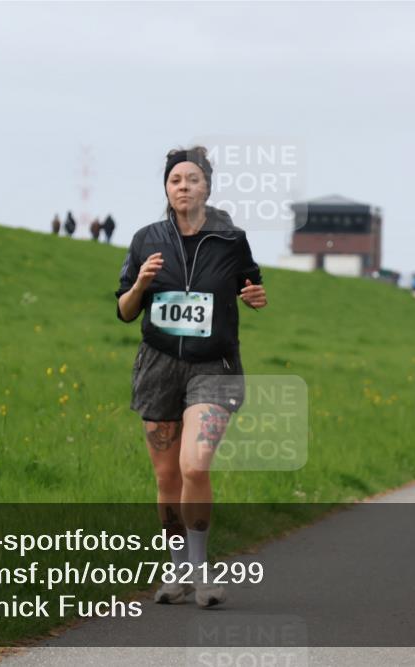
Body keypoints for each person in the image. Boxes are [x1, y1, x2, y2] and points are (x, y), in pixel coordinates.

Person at [115, 146, 267, 608]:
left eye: (192, 179)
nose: (184, 186)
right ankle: (177, 569)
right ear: (166, 187)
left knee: (194, 466)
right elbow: (123, 311)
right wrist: (140, 284)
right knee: (166, 478)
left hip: (213, 367)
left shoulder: (230, 239)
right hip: (158, 366)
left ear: (207, 186)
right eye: (176, 179)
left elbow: (250, 285)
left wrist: (254, 296)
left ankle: (202, 573)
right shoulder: (146, 239)